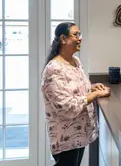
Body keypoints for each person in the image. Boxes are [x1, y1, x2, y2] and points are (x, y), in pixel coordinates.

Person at [41, 22, 110, 166]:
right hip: (66, 136)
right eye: (75, 34)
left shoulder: (75, 61)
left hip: (80, 132)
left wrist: (91, 88)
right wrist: (96, 95)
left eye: (80, 34)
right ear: (63, 39)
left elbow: (75, 89)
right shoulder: (54, 69)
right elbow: (67, 106)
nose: (80, 38)